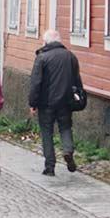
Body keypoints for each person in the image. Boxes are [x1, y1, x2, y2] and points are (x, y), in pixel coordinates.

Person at [25, 29, 84, 176]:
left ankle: (50, 167)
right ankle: (68, 151)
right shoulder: (71, 56)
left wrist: (33, 103)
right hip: (66, 101)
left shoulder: (42, 58)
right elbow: (77, 80)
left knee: (47, 133)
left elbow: (35, 83)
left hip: (46, 103)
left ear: (45, 42)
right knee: (65, 128)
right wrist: (79, 96)